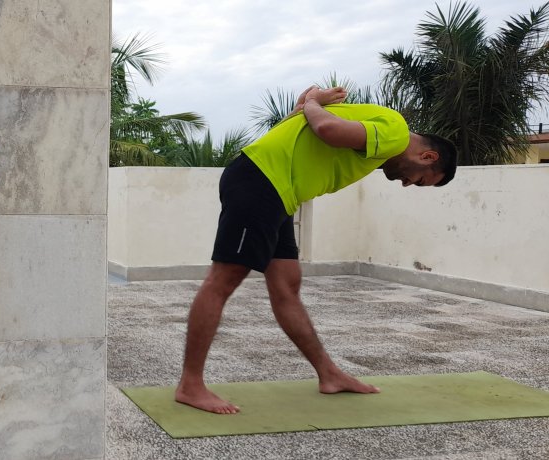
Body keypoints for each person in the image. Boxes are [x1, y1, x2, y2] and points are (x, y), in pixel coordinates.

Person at [175, 85, 457, 414]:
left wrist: (306, 105)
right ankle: (190, 385)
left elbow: (303, 124)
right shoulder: (396, 132)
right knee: (223, 280)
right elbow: (326, 129)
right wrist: (311, 101)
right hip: (262, 182)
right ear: (427, 157)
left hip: (279, 191)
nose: (408, 183)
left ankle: (329, 374)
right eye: (419, 180)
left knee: (287, 284)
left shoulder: (379, 135)